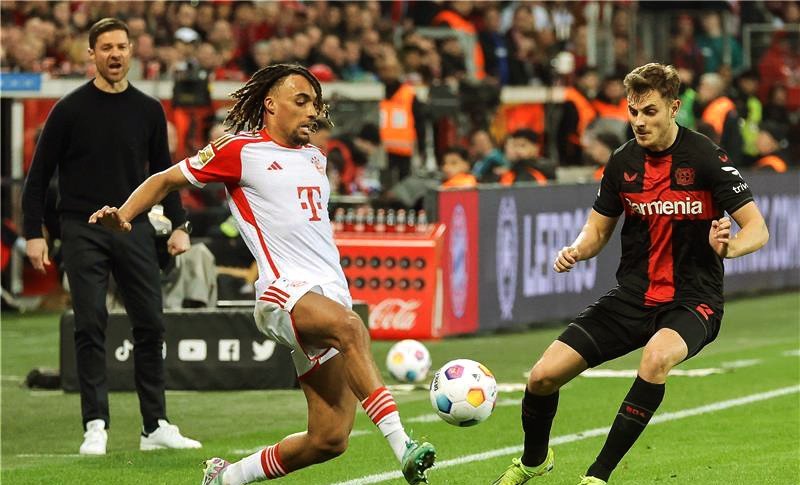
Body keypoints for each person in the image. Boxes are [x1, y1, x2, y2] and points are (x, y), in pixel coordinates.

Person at [89, 63, 436, 485]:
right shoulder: (239, 150)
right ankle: (403, 446)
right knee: (350, 327)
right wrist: (124, 215)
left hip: (327, 295)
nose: (312, 112)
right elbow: (165, 180)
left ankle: (227, 477)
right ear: (271, 105)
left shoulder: (315, 157)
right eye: (301, 101)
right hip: (281, 291)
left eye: (315, 103)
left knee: (329, 438)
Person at [493, 63, 769, 485]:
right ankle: (534, 461)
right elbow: (597, 230)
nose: (639, 121)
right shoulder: (623, 161)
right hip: (634, 296)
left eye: (650, 111)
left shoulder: (705, 157)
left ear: (673, 108)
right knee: (542, 377)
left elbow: (758, 229)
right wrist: (576, 249)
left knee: (656, 359)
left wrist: (730, 247)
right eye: (633, 111)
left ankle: (596, 476)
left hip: (693, 299)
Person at [21, 18, 201, 455]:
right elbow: (38, 177)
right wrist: (33, 234)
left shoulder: (148, 109)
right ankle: (95, 425)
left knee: (151, 323)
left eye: (121, 46)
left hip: (133, 225)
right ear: (92, 54)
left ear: (132, 51)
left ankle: (155, 426)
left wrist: (178, 224)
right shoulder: (68, 109)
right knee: (90, 323)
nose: (115, 54)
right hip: (82, 228)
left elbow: (164, 175)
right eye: (106, 47)